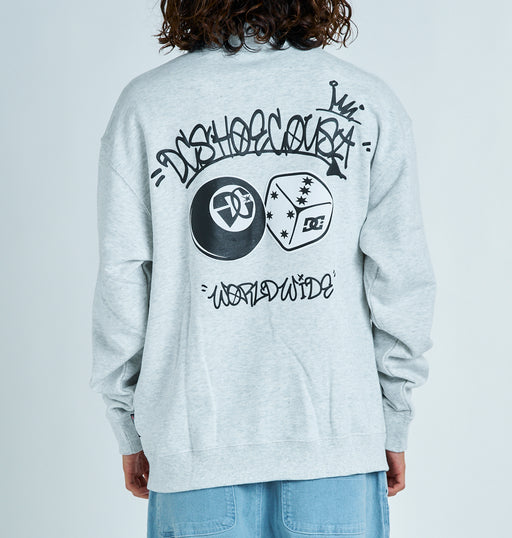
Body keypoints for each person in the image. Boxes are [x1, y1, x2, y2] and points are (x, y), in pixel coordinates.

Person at [89, 1, 437, 537]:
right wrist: (393, 417)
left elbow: (121, 282)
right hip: (335, 442)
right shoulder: (368, 100)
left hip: (194, 446)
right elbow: (402, 277)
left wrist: (129, 425)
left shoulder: (147, 105)